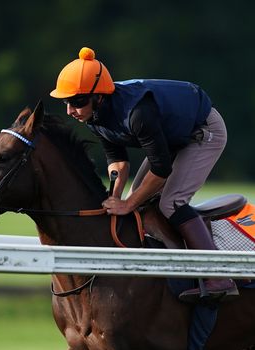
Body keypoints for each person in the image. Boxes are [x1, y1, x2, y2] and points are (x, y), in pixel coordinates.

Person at [50, 47, 238, 303]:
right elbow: (117, 161)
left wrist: (128, 202)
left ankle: (220, 276)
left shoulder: (137, 114)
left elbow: (161, 170)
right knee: (136, 204)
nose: (71, 110)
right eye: (66, 102)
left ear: (99, 97)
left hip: (203, 131)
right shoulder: (94, 117)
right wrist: (114, 198)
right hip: (172, 137)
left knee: (170, 202)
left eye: (78, 101)